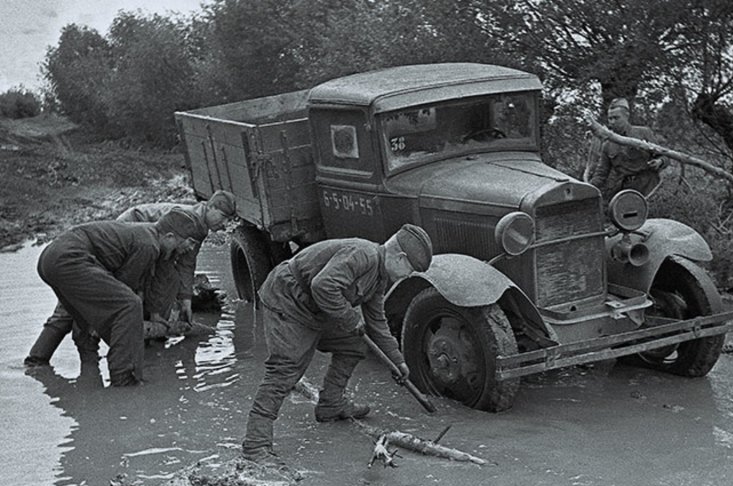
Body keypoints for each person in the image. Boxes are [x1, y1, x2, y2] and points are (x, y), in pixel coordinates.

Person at [242, 224, 434, 464]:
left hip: (317, 308)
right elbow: (323, 286)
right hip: (288, 300)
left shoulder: (379, 277)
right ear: (400, 257)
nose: (407, 276)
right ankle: (255, 445)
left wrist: (398, 361)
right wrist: (350, 317)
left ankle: (331, 403)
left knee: (354, 343)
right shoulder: (363, 255)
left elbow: (377, 321)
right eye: (410, 270)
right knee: (284, 370)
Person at [25, 191, 236, 366]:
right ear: (210, 207)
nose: (225, 224)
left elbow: (185, 265)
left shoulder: (199, 228)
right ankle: (40, 359)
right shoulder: (187, 222)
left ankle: (111, 354)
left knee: (157, 286)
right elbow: (153, 266)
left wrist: (186, 300)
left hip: (144, 243)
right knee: (84, 301)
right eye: (224, 217)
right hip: (131, 233)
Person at [35, 211, 198, 386]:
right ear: (170, 236)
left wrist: (156, 313)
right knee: (129, 305)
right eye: (187, 242)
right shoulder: (148, 245)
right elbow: (126, 284)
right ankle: (123, 379)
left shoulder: (150, 236)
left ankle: (39, 362)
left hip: (50, 258)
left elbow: (159, 274)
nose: (189, 248)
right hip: (69, 258)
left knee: (82, 315)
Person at [589, 98, 668, 200]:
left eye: (616, 118)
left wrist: (659, 162)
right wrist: (587, 188)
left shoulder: (643, 133)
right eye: (610, 118)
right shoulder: (607, 145)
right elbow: (601, 173)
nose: (612, 122)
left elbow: (665, 156)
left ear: (626, 116)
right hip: (626, 189)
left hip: (649, 186)